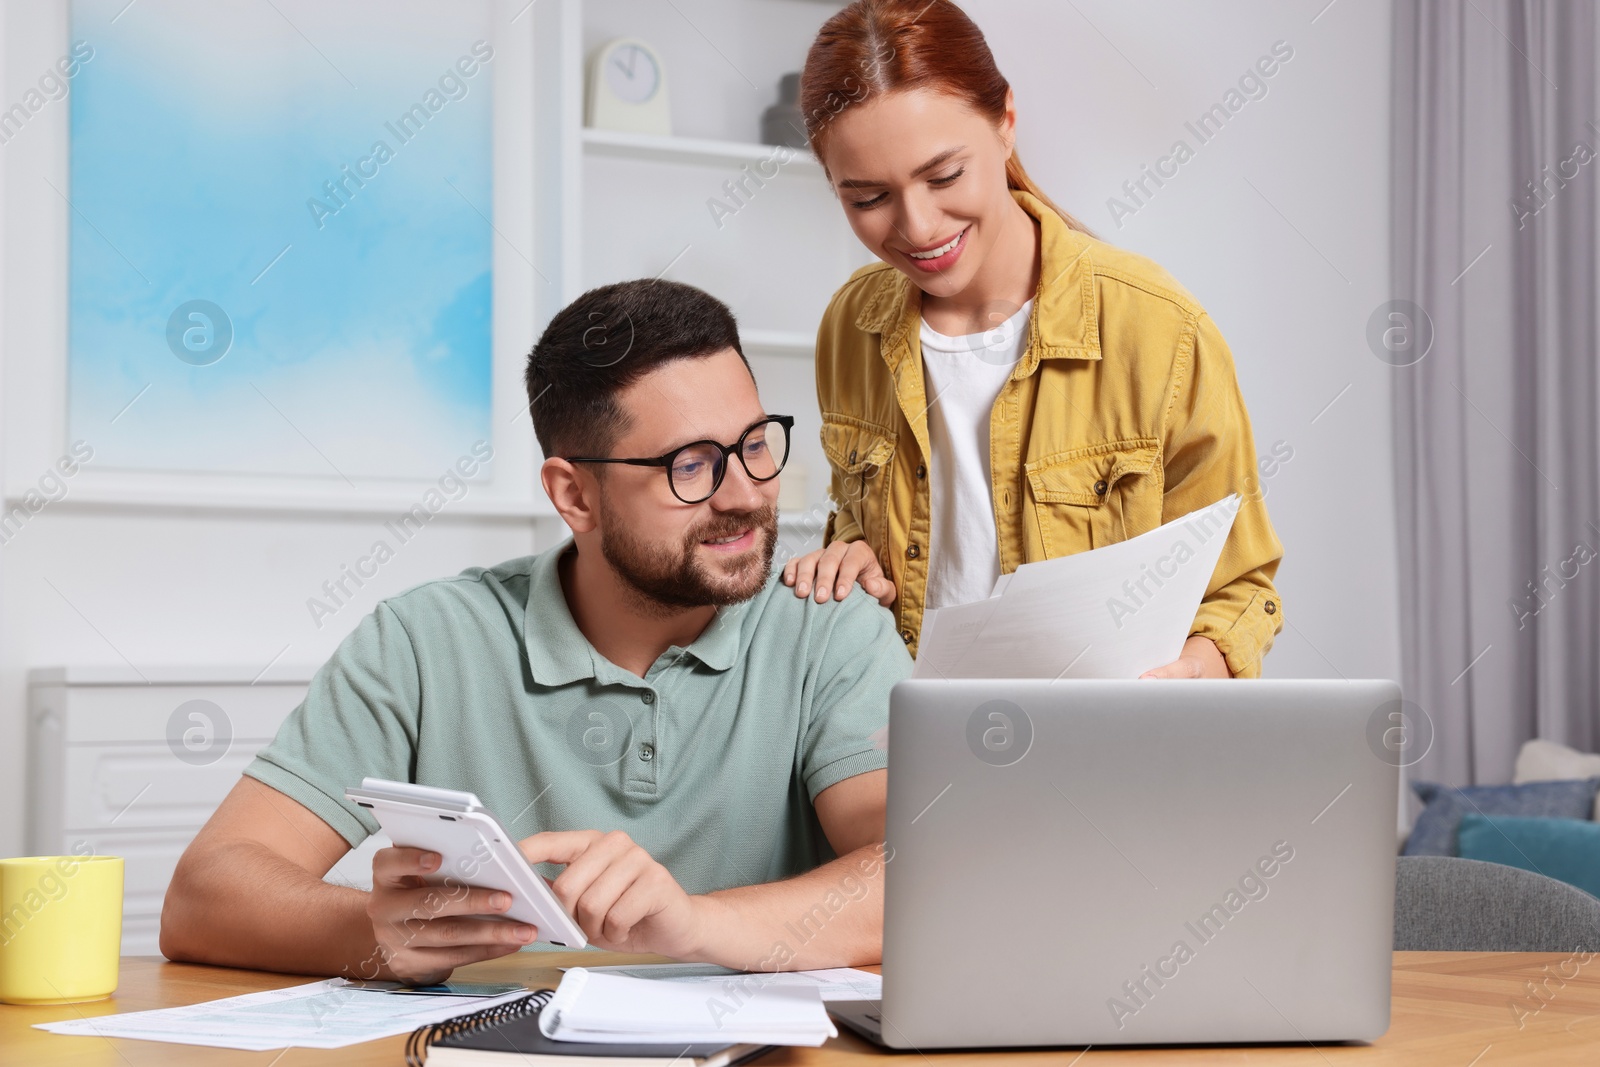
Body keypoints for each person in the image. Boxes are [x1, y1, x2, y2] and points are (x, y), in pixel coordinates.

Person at [160, 280, 909, 984]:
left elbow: (918, 871)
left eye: (754, 444)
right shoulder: (425, 641)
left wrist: (693, 922)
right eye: (691, 465)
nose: (746, 494)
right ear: (574, 494)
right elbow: (205, 894)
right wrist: (377, 931)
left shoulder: (828, 624)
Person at [781, 0, 1285, 679]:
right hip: (910, 744)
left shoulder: (1159, 328)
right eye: (868, 198)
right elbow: (865, 526)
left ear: (1006, 123)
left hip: (1096, 752)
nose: (919, 225)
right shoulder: (850, 327)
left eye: (943, 175)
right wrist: (850, 556)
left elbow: (1240, 589)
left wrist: (1196, 669)